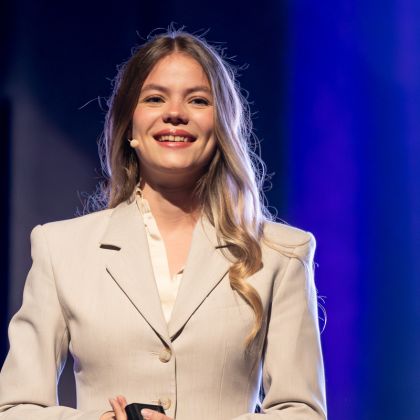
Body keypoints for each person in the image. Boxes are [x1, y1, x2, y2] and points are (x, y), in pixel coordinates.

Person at [0, 30, 327, 420]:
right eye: (155, 98)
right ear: (129, 126)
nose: (175, 113)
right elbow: (14, 408)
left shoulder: (280, 253)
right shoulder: (61, 249)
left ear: (221, 125)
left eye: (198, 100)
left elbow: (301, 412)